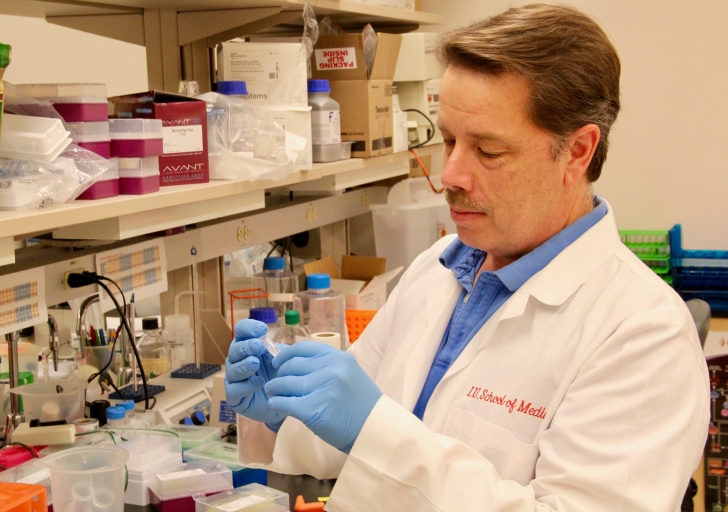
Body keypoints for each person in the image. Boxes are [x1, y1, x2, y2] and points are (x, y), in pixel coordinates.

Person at [225, 4, 709, 510]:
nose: (450, 175)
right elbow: (350, 437)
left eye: (489, 151)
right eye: (449, 140)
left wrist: (374, 430)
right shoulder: (440, 267)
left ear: (578, 151)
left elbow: (378, 435)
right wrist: (284, 409)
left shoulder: (644, 335)